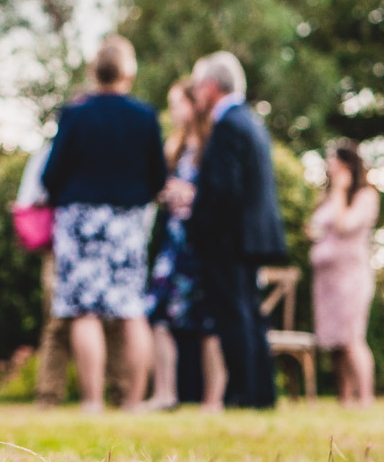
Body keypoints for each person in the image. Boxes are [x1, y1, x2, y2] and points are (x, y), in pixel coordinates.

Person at [41, 36, 167, 411]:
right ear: (129, 72)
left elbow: (52, 174)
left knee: (84, 309)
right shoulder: (144, 116)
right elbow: (158, 178)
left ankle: (92, 401)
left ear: (94, 71)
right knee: (131, 309)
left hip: (81, 220)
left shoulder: (75, 114)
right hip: (128, 221)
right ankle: (132, 401)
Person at [185, 51, 286, 411]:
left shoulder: (227, 125)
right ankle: (260, 393)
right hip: (251, 237)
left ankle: (244, 393)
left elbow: (223, 190)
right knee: (248, 314)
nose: (195, 94)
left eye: (197, 86)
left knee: (234, 315)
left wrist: (195, 226)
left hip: (229, 239)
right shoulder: (251, 121)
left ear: (212, 87)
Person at [139, 78, 218, 411]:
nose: (172, 113)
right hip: (173, 244)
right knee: (157, 314)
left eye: (177, 105)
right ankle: (164, 393)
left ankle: (214, 399)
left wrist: (193, 197)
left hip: (202, 244)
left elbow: (221, 193)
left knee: (208, 320)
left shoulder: (212, 143)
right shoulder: (176, 146)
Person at [309, 140, 380, 407]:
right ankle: (344, 399)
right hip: (327, 279)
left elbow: (343, 226)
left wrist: (340, 190)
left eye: (332, 160)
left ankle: (365, 398)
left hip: (350, 277)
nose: (328, 166)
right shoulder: (326, 195)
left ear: (346, 164)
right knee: (336, 343)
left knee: (352, 338)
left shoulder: (365, 195)